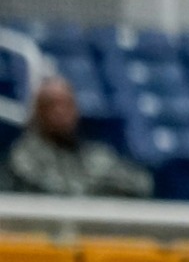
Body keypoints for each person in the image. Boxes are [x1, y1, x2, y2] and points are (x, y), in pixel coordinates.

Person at [5, 71, 152, 198]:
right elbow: (58, 193)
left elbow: (141, 183)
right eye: (51, 105)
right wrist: (101, 190)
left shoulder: (94, 153)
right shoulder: (24, 154)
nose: (60, 112)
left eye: (67, 105)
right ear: (38, 113)